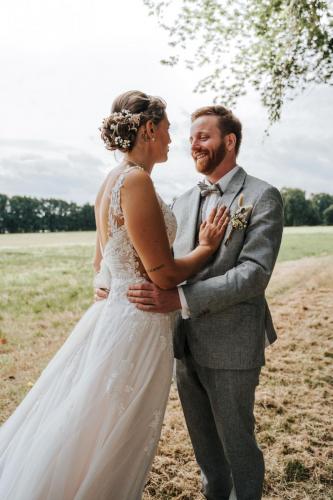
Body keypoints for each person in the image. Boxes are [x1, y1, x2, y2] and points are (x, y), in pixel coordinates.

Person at [0, 91, 230, 500]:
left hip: (116, 314)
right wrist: (206, 248)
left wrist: (111, 283)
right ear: (148, 129)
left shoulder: (110, 181)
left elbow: (100, 265)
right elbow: (163, 274)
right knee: (114, 430)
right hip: (136, 323)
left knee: (93, 422)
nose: (172, 140)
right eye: (168, 130)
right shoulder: (137, 180)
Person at [123, 105, 284, 499]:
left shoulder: (263, 196)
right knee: (206, 454)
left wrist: (178, 297)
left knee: (238, 447)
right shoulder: (180, 200)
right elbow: (168, 263)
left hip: (232, 345)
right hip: (182, 343)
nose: (193, 144)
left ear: (229, 141)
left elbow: (253, 275)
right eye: (192, 137)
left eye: (204, 136)